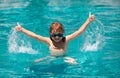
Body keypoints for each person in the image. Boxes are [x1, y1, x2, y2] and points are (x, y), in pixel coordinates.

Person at [15, 14, 95, 64]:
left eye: (59, 35)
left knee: (75, 64)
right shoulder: (49, 41)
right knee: (35, 63)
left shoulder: (66, 39)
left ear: (63, 33)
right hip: (50, 57)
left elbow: (79, 32)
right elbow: (35, 36)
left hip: (65, 57)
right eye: (55, 35)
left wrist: (88, 21)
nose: (57, 37)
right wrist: (22, 29)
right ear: (50, 34)